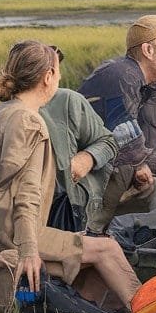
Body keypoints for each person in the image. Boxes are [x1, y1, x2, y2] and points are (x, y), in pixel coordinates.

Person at [0, 40, 141, 311]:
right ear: (47, 77)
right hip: (13, 238)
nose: (59, 77)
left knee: (94, 250)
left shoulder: (1, 113)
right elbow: (25, 195)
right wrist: (29, 251)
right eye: (57, 72)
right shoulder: (29, 122)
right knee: (108, 250)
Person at [78, 15, 156, 235]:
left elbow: (132, 149)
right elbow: (131, 148)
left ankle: (117, 235)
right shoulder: (123, 75)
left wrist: (140, 164)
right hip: (82, 179)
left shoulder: (139, 80)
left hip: (99, 173)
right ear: (148, 50)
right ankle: (98, 234)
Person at [40, 85, 118, 232]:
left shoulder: (67, 101)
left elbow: (108, 141)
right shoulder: (8, 115)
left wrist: (88, 158)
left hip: (70, 213)